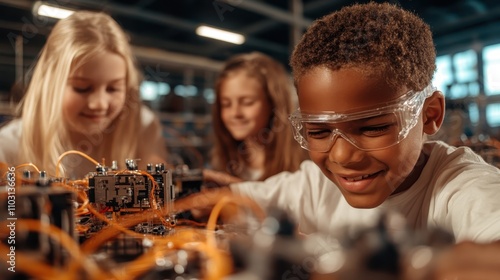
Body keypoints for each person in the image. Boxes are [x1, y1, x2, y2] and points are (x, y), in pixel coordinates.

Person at [194, 2, 500, 278]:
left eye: (372, 128)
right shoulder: (315, 184)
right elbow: (231, 199)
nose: (342, 156)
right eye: (318, 132)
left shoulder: (463, 187)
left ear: (429, 115)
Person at [0, 11, 168, 178]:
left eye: (113, 89)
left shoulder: (144, 126)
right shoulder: (8, 147)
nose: (99, 104)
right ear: (51, 85)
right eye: (82, 88)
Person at [208, 52, 307, 182]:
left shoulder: (304, 165)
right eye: (226, 104)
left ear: (273, 104)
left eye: (247, 102)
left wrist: (234, 189)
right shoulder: (223, 160)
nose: (235, 113)